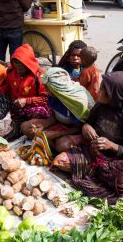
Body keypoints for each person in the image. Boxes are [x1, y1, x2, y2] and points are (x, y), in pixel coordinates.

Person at [52, 72, 123, 204]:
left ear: (115, 95)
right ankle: (92, 170)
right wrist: (87, 126)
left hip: (115, 161)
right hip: (93, 152)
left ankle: (92, 172)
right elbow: (88, 122)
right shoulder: (100, 106)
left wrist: (112, 145)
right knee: (59, 161)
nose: (98, 91)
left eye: (103, 90)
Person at [21, 67, 95, 152]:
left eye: (47, 87)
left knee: (62, 144)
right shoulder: (53, 95)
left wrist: (57, 134)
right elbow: (54, 115)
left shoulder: (78, 102)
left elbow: (78, 128)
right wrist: (44, 125)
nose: (45, 90)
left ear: (55, 88)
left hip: (75, 130)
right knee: (26, 127)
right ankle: (50, 145)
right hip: (60, 124)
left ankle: (51, 146)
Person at [0, 44, 50, 121]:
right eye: (16, 63)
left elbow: (45, 98)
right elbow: (8, 85)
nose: (18, 68)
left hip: (31, 106)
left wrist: (27, 101)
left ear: (28, 64)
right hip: (13, 104)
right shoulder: (11, 70)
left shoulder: (40, 76)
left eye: (22, 65)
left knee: (40, 112)